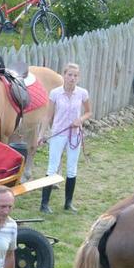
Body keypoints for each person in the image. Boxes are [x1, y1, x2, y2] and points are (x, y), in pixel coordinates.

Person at [40, 63, 91, 214]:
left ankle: (68, 203)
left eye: (75, 75)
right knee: (52, 167)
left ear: (78, 78)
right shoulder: (55, 93)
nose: (72, 78)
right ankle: (44, 204)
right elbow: (48, 115)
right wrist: (41, 134)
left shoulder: (82, 93)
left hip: (74, 135)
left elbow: (89, 112)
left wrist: (80, 120)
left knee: (71, 169)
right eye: (70, 75)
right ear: (64, 75)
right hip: (58, 133)